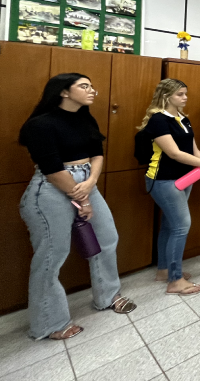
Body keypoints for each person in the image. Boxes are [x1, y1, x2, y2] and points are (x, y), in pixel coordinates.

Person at [18, 73, 137, 340]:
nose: (92, 90)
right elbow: (51, 169)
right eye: (84, 86)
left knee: (107, 239)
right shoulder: (40, 125)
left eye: (92, 86)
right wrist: (81, 199)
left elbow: (97, 154)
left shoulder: (86, 118)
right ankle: (49, 323)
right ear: (63, 92)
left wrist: (91, 182)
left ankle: (107, 296)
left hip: (87, 183)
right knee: (51, 256)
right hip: (51, 190)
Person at [140, 79, 200, 296]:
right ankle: (175, 280)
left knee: (170, 225)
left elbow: (193, 149)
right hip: (163, 180)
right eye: (180, 95)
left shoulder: (183, 118)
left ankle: (164, 271)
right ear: (166, 96)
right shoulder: (158, 120)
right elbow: (173, 153)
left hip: (184, 179)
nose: (185, 98)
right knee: (181, 226)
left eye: (185, 94)